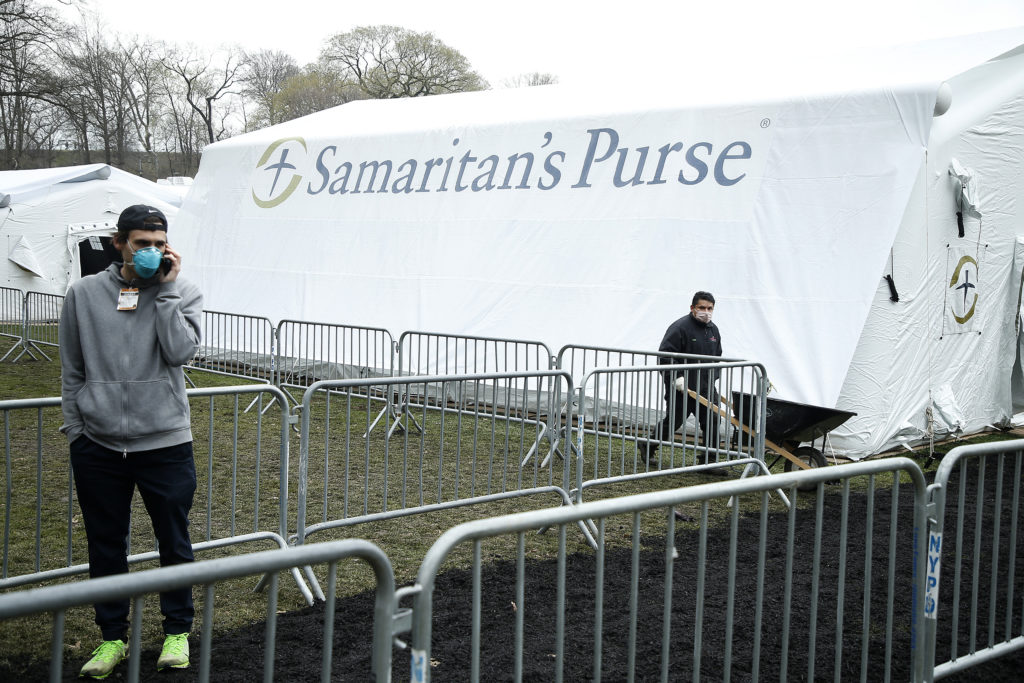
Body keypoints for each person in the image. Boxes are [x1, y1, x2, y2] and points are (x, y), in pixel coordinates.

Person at [59, 204, 202, 679]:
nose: (152, 252)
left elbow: (180, 353)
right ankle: (111, 638)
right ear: (119, 242)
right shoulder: (82, 294)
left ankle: (177, 631)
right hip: (98, 446)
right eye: (143, 244)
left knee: (174, 541)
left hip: (164, 442)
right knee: (105, 545)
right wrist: (78, 430)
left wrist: (165, 292)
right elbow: (72, 369)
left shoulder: (182, 291)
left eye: (160, 244)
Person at [646, 291, 723, 462]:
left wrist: (713, 378)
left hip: (705, 386)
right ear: (693, 308)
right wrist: (676, 378)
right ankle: (648, 445)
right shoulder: (680, 327)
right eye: (702, 307)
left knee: (712, 420)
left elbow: (717, 356)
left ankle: (709, 461)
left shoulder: (713, 330)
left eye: (710, 308)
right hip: (682, 387)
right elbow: (666, 355)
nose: (706, 311)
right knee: (675, 421)